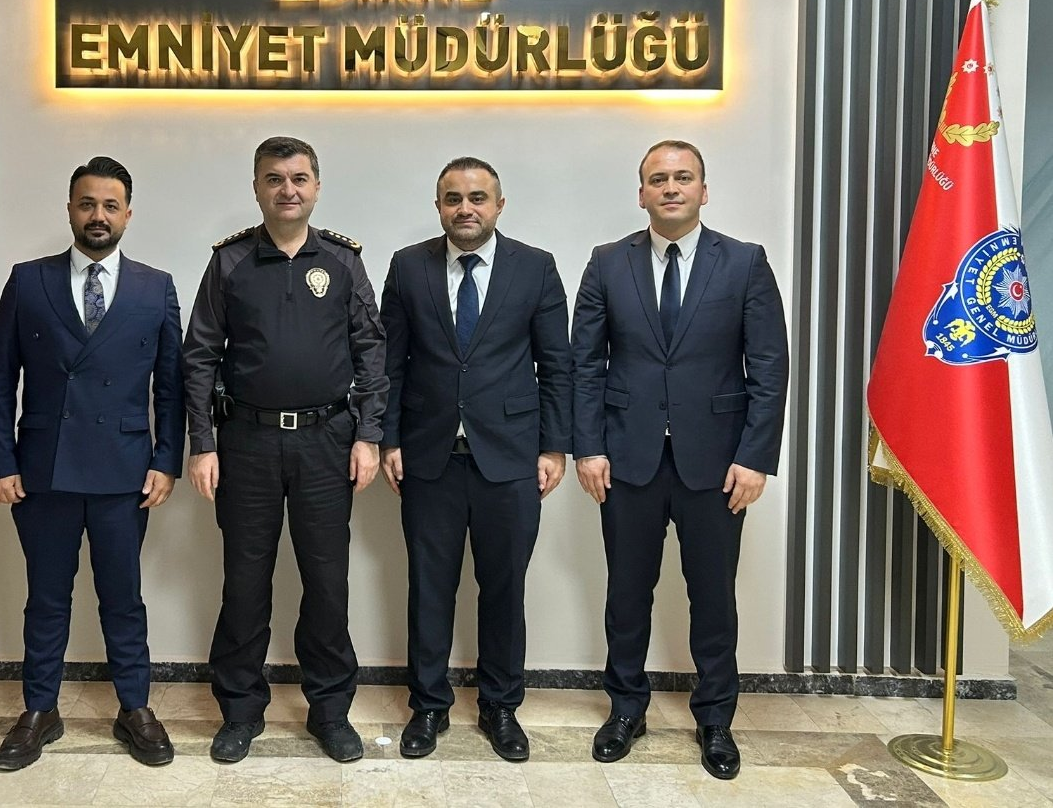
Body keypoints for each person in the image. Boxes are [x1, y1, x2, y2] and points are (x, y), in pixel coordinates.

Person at [570, 140, 788, 780]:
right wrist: (589, 447)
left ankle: (715, 719)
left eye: (683, 177)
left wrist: (755, 457)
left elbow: (769, 367)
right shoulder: (607, 262)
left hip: (717, 465)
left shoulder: (744, 262)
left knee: (713, 598)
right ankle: (625, 710)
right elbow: (585, 365)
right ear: (641, 193)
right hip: (626, 459)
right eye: (658, 179)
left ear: (703, 190)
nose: (671, 187)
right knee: (626, 595)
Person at [182, 135, 387, 764]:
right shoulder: (230, 262)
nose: (287, 189)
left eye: (299, 178)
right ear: (257, 188)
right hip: (246, 443)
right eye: (274, 179)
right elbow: (199, 355)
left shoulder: (343, 261)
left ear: (316, 187)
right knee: (245, 584)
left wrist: (369, 435)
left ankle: (330, 712)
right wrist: (202, 444)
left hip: (327, 442)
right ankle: (240, 712)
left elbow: (371, 351)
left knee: (327, 583)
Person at [0, 156, 184, 771]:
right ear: (70, 209)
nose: (99, 215)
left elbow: (171, 389)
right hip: (43, 469)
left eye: (110, 205)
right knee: (47, 597)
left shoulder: (156, 286)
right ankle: (40, 709)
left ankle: (135, 708)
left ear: (128, 214)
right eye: (87, 204)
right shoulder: (28, 280)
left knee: (123, 597)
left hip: (126, 471)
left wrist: (166, 460)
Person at [379, 157, 572, 762]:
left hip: (511, 459)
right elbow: (389, 363)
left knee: (504, 589)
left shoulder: (535, 267)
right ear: (438, 206)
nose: (466, 208)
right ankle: (428, 706)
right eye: (453, 198)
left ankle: (500, 706)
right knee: (428, 587)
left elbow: (557, 366)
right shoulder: (408, 266)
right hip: (428, 455)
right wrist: (389, 440)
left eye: (478, 198)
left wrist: (553, 446)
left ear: (499, 205)